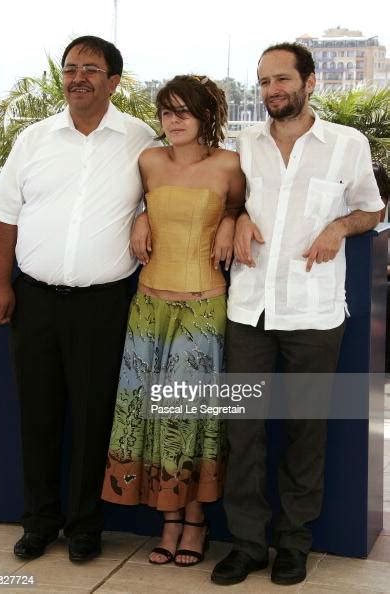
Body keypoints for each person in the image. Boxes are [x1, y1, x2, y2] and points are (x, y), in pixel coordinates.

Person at [211, 42, 384, 587]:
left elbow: (373, 208)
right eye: (263, 82)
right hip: (249, 307)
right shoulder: (246, 142)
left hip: (314, 310)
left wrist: (338, 227)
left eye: (281, 79)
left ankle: (293, 543)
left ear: (310, 83)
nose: (271, 91)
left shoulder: (346, 144)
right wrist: (234, 218)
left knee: (306, 432)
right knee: (244, 432)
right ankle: (246, 544)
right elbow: (231, 201)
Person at [0, 35, 157, 563]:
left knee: (92, 417)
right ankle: (39, 521)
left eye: (90, 68)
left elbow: (170, 191)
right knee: (37, 415)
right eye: (70, 68)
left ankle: (85, 525)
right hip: (33, 300)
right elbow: (6, 215)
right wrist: (1, 284)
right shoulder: (34, 139)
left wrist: (147, 213)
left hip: (103, 305)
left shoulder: (140, 139)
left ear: (114, 81)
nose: (77, 77)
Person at [101, 74, 245, 567]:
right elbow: (130, 204)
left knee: (190, 417)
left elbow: (241, 205)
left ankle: (195, 523)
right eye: (167, 112)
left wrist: (230, 220)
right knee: (150, 415)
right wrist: (142, 215)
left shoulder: (229, 163)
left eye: (185, 111)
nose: (174, 120)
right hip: (148, 306)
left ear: (207, 115)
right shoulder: (148, 161)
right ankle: (168, 521)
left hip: (203, 304)